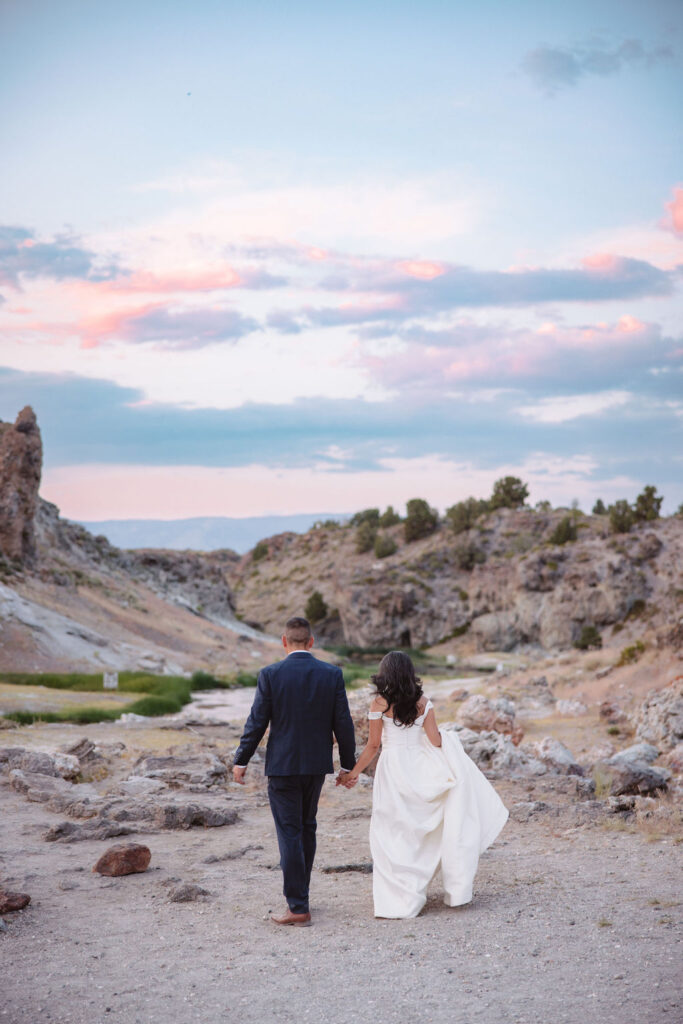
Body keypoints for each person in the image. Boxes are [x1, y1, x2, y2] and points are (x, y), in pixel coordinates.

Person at [338, 650, 508, 918]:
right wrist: (451, 740)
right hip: (419, 767)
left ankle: (397, 898)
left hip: (392, 768)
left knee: (391, 830)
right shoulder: (423, 703)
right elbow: (436, 741)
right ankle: (417, 888)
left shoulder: (379, 704)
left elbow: (372, 746)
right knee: (420, 831)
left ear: (385, 674)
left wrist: (353, 773)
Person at [233, 616, 356, 927]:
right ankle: (302, 895)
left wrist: (241, 759)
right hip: (316, 765)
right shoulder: (332, 674)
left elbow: (257, 721)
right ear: (311, 642)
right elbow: (343, 722)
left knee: (290, 831)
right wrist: (347, 765)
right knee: (307, 826)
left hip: (283, 766)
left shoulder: (270, 674)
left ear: (284, 642)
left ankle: (298, 906)